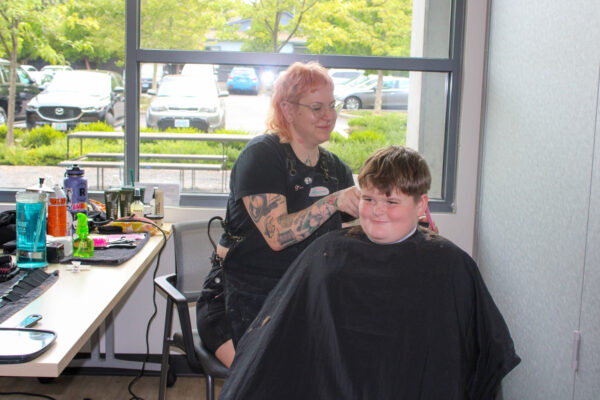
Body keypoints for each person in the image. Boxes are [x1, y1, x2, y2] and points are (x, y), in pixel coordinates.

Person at [218, 145, 521, 399]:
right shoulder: (327, 255)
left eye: (391, 201)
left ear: (421, 205)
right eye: (369, 198)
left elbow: (484, 354)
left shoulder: (450, 266)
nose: (377, 210)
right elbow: (283, 340)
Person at [196, 61, 360, 367]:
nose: (329, 116)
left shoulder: (337, 170)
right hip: (237, 300)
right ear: (287, 109)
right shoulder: (261, 157)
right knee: (271, 377)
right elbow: (276, 236)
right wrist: (333, 202)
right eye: (316, 107)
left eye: (332, 105)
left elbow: (351, 240)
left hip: (302, 299)